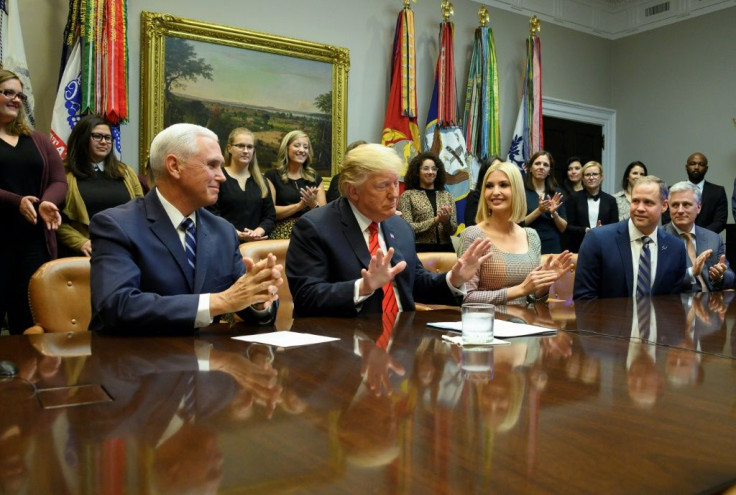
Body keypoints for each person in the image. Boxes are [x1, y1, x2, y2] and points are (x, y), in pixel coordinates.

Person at [89, 123, 283, 334]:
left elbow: (242, 300)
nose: (222, 176)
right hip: (135, 360)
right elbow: (116, 306)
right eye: (212, 165)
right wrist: (217, 302)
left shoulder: (222, 231)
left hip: (207, 359)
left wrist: (257, 298)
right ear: (174, 166)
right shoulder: (116, 225)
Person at [285, 143, 492, 318]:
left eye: (395, 183)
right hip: (346, 349)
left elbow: (415, 282)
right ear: (353, 191)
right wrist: (363, 287)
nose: (394, 194)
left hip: (403, 346)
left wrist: (453, 279)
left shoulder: (399, 226)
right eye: (383, 186)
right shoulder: (315, 227)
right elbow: (306, 296)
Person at [0, 69, 66, 334]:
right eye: (8, 93)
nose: (16, 100)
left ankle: (27, 376)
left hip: (32, 243)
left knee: (29, 320)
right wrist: (15, 201)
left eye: (20, 95)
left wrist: (45, 203)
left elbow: (59, 181)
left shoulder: (37, 140)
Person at [459, 161, 572, 305]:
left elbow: (534, 300)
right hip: (488, 323)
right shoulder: (473, 235)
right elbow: (466, 298)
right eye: (489, 186)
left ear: (517, 190)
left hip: (525, 324)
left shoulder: (531, 236)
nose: (495, 192)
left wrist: (543, 285)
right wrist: (521, 290)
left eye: (503, 185)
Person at [573, 176, 687, 300]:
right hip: (608, 319)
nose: (640, 208)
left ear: (664, 206)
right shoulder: (597, 239)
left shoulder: (676, 248)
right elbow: (584, 299)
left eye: (648, 202)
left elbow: (672, 302)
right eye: (635, 201)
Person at [57, 115, 143, 257]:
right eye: (97, 136)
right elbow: (55, 220)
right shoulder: (64, 173)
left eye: (108, 138)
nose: (104, 142)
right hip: (86, 254)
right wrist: (80, 242)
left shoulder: (126, 172)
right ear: (82, 138)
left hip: (125, 250)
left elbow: (141, 211)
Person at [663, 181, 734, 291]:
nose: (680, 210)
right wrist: (691, 272)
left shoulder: (713, 238)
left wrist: (720, 276)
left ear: (699, 207)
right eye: (675, 205)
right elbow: (660, 282)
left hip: (711, 304)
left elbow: (731, 276)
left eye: (686, 204)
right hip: (678, 304)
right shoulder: (659, 238)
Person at [209, 127, 275, 242]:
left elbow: (269, 217)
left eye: (249, 147)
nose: (245, 151)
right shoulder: (218, 177)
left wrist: (256, 233)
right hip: (223, 242)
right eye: (240, 146)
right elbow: (212, 214)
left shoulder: (261, 181)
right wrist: (236, 233)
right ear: (229, 148)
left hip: (254, 246)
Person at [265, 130, 326, 239]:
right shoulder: (272, 176)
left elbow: (324, 214)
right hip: (281, 232)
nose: (302, 150)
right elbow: (270, 212)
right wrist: (299, 206)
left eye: (306, 147)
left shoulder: (315, 177)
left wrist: (313, 204)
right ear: (286, 148)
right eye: (297, 146)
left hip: (310, 231)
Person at [397, 152, 457, 253]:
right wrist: (436, 220)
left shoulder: (447, 196)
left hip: (446, 251)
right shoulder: (407, 196)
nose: (430, 172)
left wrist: (446, 221)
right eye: (426, 168)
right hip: (419, 251)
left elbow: (453, 230)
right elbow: (407, 229)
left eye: (434, 169)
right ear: (417, 172)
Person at [661, 152, 727, 233]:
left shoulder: (717, 192)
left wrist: (701, 235)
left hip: (707, 240)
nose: (696, 167)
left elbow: (720, 221)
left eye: (701, 164)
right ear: (686, 167)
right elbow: (666, 219)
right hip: (676, 238)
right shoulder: (672, 190)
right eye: (693, 164)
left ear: (706, 168)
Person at [564, 161, 619, 252]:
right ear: (582, 178)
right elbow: (567, 227)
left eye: (595, 174)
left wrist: (603, 230)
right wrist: (584, 230)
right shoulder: (573, 198)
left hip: (604, 247)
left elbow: (615, 226)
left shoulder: (610, 200)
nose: (591, 177)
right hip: (579, 247)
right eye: (587, 175)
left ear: (601, 177)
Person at [522, 151, 567, 254]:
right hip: (527, 243)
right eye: (537, 163)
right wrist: (539, 210)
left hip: (552, 244)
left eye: (546, 165)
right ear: (530, 168)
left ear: (549, 171)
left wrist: (554, 213)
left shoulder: (557, 193)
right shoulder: (521, 191)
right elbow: (518, 224)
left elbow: (563, 228)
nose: (541, 167)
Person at [464, 155, 502, 227]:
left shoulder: (509, 194)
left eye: (500, 168)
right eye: (493, 168)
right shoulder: (475, 196)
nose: (497, 171)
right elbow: (472, 228)